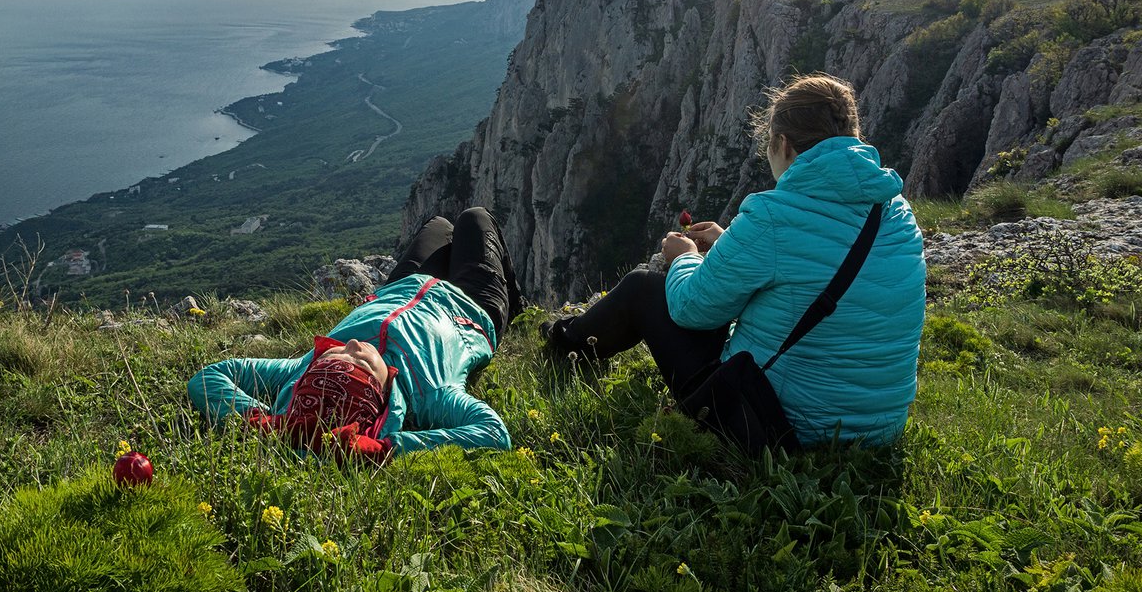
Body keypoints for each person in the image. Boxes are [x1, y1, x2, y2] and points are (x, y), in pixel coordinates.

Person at [545, 74, 926, 449]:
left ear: (783, 144)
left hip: (785, 427)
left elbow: (691, 309)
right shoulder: (896, 212)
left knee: (642, 287)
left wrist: (686, 257)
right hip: (880, 428)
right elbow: (812, 265)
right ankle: (574, 344)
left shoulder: (774, 215)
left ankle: (566, 348)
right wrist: (731, 243)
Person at [188, 207, 522, 461]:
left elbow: (210, 377)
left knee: (438, 225)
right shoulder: (431, 393)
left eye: (333, 356)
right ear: (378, 391)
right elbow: (493, 433)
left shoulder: (300, 372)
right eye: (359, 361)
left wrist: (265, 423)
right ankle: (518, 309)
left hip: (399, 290)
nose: (349, 346)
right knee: (474, 217)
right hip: (471, 309)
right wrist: (387, 447)